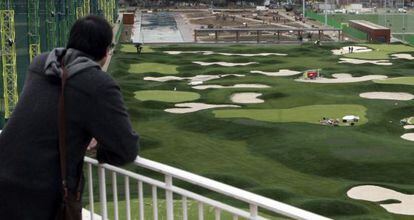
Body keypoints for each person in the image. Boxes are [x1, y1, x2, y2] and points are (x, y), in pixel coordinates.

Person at [0, 15, 139, 219]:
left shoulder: (40, 64)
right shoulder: (98, 83)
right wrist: (97, 149)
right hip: (39, 197)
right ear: (106, 52)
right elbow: (127, 149)